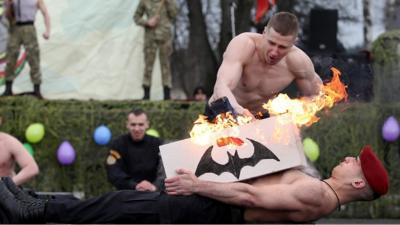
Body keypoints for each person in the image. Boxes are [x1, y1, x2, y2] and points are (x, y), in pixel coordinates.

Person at [0, 145, 389, 223]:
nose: (347, 158)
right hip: (213, 207)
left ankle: (33, 211)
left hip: (211, 207)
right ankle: (33, 200)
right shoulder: (318, 190)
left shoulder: (315, 194)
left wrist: (196, 184)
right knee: (119, 205)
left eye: (355, 162)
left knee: (120, 207)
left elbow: (251, 194)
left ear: (357, 182)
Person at [206, 12, 323, 121]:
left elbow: (317, 97)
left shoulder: (299, 62)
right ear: (264, 32)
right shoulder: (244, 45)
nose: (274, 52)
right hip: (223, 114)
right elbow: (221, 86)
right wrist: (237, 110)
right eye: (271, 43)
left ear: (294, 43)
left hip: (260, 119)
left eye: (282, 47)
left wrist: (293, 112)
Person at [105, 108, 165, 192]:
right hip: (126, 194)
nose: (137, 129)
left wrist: (155, 187)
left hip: (154, 194)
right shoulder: (117, 144)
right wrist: (134, 186)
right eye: (133, 124)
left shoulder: (158, 144)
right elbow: (113, 172)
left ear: (147, 124)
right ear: (127, 125)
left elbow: (165, 171)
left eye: (141, 124)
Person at [1, 0, 50, 99]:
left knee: (33, 58)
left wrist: (47, 30)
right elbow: (7, 16)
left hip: (29, 27)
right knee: (11, 58)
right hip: (15, 28)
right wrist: (9, 6)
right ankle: (8, 88)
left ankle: (37, 89)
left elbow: (45, 13)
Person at [133, 0, 178, 100]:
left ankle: (167, 94)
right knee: (148, 66)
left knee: (165, 65)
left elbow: (174, 15)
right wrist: (147, 22)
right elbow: (136, 17)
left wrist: (169, 3)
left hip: (165, 37)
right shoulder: (145, 1)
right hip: (150, 37)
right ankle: (146, 93)